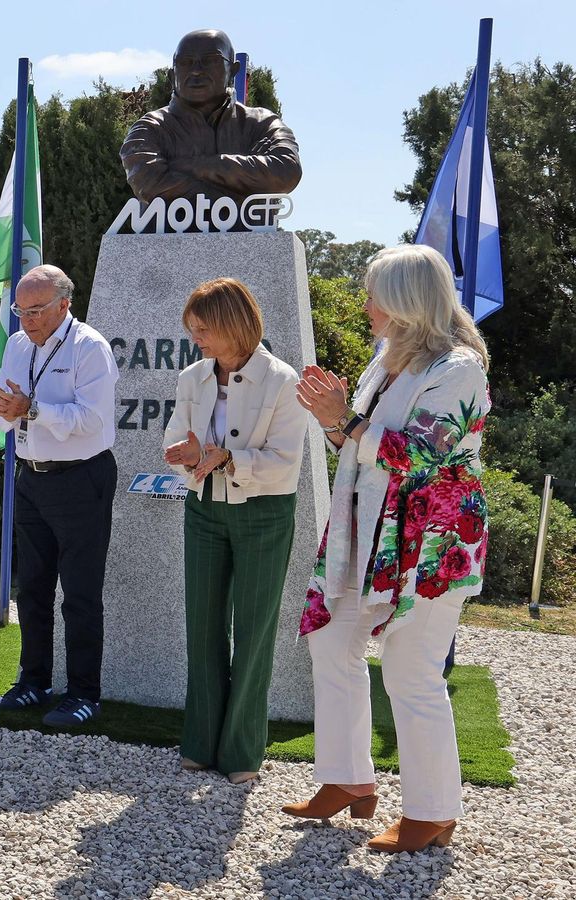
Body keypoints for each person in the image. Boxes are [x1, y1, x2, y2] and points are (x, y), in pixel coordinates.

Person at [283, 244, 492, 853]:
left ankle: (433, 811)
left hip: (430, 542)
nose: (366, 305)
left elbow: (419, 457)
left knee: (411, 671)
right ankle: (347, 779)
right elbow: (358, 450)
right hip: (367, 534)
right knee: (331, 641)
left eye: (375, 293)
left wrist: (343, 418)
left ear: (405, 302)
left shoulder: (459, 368)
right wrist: (329, 419)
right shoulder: (387, 361)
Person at [161, 278, 307, 783]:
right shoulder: (191, 378)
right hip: (203, 511)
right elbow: (177, 440)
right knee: (201, 626)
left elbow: (285, 464)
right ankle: (199, 742)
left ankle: (242, 752)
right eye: (192, 329)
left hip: (265, 515)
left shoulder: (284, 380)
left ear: (232, 324)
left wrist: (226, 458)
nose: (196, 338)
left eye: (203, 328)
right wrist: (186, 458)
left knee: (254, 632)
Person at [0, 266, 118, 728]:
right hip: (31, 476)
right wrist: (7, 412)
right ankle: (33, 682)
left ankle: (84, 693)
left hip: (82, 478)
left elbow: (93, 421)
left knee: (80, 592)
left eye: (36, 310)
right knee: (33, 588)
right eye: (21, 310)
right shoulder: (19, 345)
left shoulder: (90, 348)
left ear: (64, 304)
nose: (26, 320)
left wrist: (33, 409)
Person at [119, 28, 302, 206]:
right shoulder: (150, 128)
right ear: (172, 75)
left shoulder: (262, 123)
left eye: (210, 60)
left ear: (232, 70)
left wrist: (193, 165)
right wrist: (236, 198)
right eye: (185, 62)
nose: (196, 70)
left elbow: (286, 171)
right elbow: (149, 183)